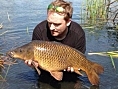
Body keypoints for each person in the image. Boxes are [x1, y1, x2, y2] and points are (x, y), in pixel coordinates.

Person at [25, 0, 86, 89]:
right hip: (45, 72)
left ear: (68, 21)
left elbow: (80, 58)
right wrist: (33, 65)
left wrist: (76, 68)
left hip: (70, 74)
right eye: (49, 23)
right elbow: (35, 61)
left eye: (57, 24)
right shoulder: (39, 30)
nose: (52, 27)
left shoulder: (78, 33)